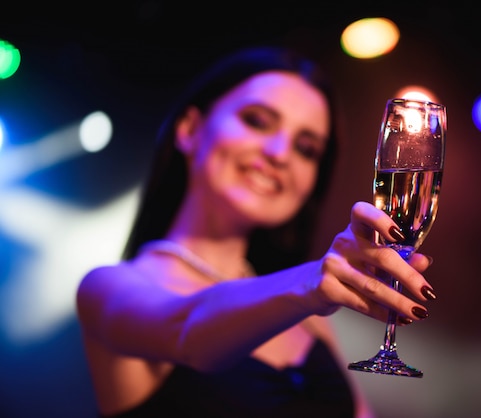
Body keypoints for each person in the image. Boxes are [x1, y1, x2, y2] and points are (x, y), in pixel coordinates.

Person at [76, 45, 437, 418]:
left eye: (307, 148)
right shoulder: (108, 288)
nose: (280, 153)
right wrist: (312, 281)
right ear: (190, 129)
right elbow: (188, 334)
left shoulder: (311, 319)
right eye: (257, 121)